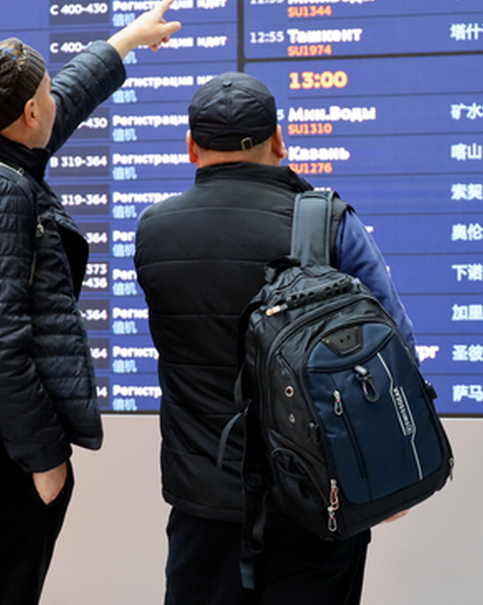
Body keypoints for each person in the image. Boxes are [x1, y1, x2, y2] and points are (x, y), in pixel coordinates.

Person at [0, 0, 182, 605]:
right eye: (48, 95)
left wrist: (126, 42)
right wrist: (43, 459)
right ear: (29, 112)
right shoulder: (0, 195)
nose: (58, 101)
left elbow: (61, 101)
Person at [134, 72, 417, 605]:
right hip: (319, 497)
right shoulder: (328, 222)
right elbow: (393, 345)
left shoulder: (154, 230)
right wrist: (391, 465)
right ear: (279, 141)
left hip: (204, 502)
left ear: (191, 147)